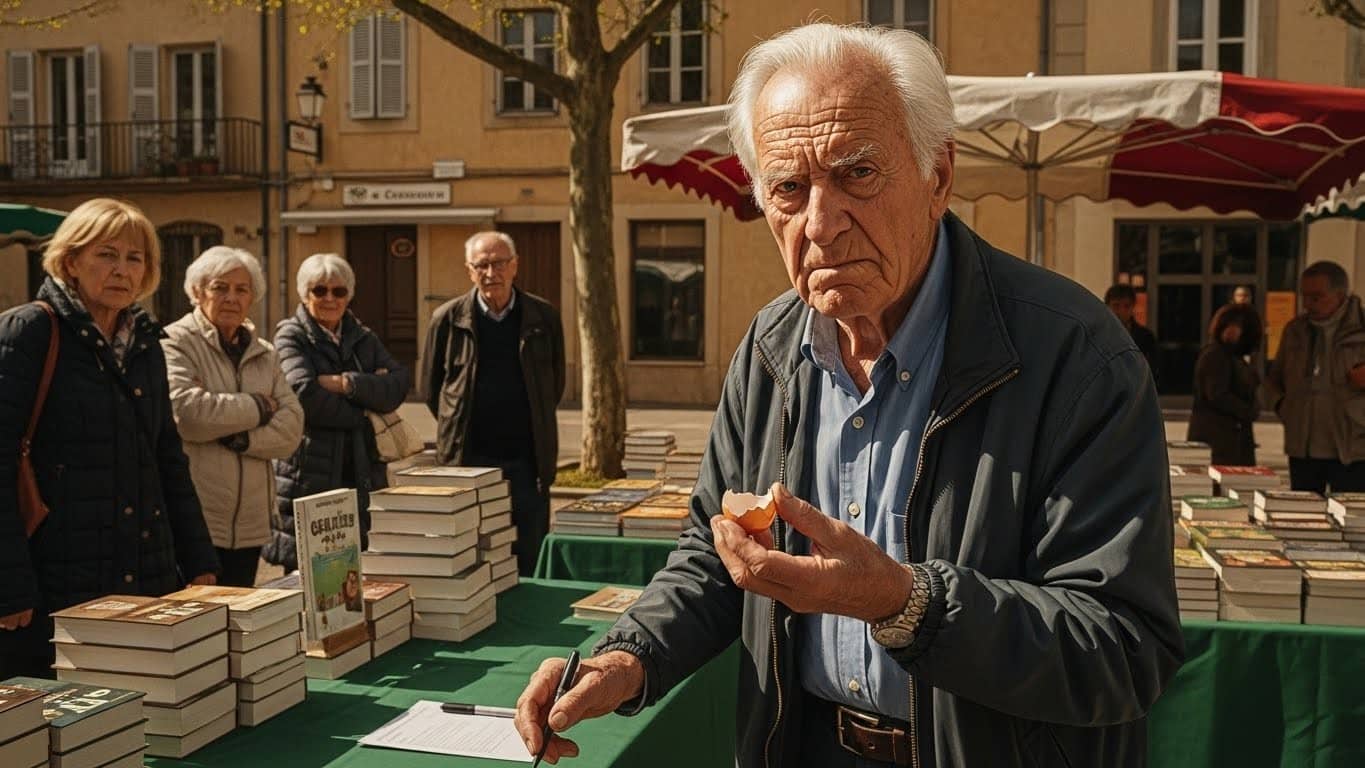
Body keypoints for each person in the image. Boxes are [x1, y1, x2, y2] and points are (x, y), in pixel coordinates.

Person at [514, 24, 1182, 768]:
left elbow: (1123, 649)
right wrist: (625, 659)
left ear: (938, 176)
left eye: (856, 173)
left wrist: (904, 603)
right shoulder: (770, 349)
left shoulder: (1075, 357)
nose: (820, 224)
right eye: (788, 189)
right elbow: (714, 556)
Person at [0, 197, 219, 678]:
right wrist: (9, 585)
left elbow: (167, 458)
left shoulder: (146, 342)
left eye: (135, 258)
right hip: (56, 584)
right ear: (71, 260)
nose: (122, 269)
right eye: (107, 254)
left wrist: (199, 560)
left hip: (147, 575)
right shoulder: (30, 331)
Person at [423, 232, 565, 576]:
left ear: (514, 266)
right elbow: (431, 390)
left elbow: (554, 386)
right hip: (468, 461)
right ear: (470, 271)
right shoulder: (447, 318)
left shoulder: (543, 317)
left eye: (499, 263)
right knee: (469, 555)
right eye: (482, 265)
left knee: (528, 553)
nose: (491, 272)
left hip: (526, 462)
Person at [162, 246, 304, 587]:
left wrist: (242, 438)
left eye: (242, 289)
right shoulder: (175, 341)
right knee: (196, 626)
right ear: (197, 292)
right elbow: (188, 414)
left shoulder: (265, 352)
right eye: (220, 287)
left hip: (251, 526)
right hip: (197, 521)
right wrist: (259, 406)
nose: (231, 298)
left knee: (240, 625)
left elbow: (292, 428)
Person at [267, 253, 410, 572]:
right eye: (320, 290)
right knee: (310, 575)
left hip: (361, 472)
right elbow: (304, 395)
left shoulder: (363, 336)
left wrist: (346, 384)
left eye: (339, 291)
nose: (330, 298)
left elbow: (399, 384)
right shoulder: (291, 335)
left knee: (360, 572)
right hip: (310, 475)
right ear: (305, 294)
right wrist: (365, 410)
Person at [1266, 261, 1365, 493]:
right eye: (1305, 296)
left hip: (1352, 449)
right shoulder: (1295, 330)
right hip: (1303, 448)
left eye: (1317, 297)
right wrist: (1283, 406)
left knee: (1352, 521)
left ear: (1340, 295)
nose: (1308, 304)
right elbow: (1273, 379)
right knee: (1304, 520)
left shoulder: (1361, 330)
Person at [1188, 303, 1263, 465]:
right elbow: (1217, 394)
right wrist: (1247, 410)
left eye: (1237, 326)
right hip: (1219, 441)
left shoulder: (1236, 357)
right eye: (1229, 325)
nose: (1231, 330)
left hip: (1233, 441)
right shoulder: (1216, 354)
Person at [1105, 283, 1157, 373]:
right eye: (1116, 306)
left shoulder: (1145, 336)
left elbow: (1153, 369)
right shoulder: (1100, 335)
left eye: (1126, 306)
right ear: (1107, 306)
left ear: (1133, 307)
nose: (1121, 311)